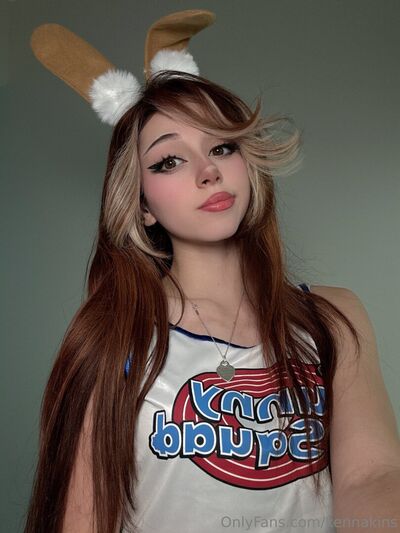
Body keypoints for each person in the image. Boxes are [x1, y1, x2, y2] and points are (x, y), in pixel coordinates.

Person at [25, 10, 400, 533]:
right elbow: (83, 518)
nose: (208, 172)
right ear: (142, 205)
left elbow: (371, 475)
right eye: (169, 161)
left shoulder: (333, 317)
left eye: (222, 146)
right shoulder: (112, 335)